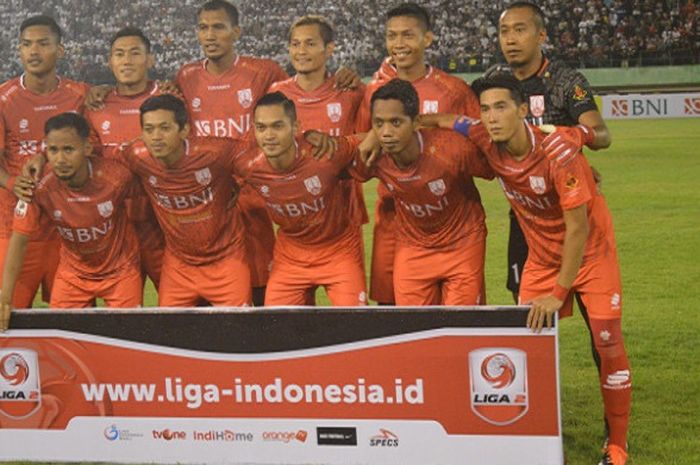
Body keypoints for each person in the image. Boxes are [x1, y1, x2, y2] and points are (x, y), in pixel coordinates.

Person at [443, 73, 630, 465]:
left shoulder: (558, 152)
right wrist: (424, 121)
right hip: (542, 260)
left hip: (591, 254)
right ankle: (534, 438)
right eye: (486, 109)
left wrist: (558, 293)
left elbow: (577, 230)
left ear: (523, 110)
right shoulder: (484, 138)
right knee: (526, 350)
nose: (492, 117)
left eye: (502, 107)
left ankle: (617, 445)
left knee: (608, 341)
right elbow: (454, 122)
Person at [355, 2, 480, 305]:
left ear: (427, 39)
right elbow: (362, 147)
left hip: (452, 219)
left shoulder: (454, 90)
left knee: (458, 318)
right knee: (393, 309)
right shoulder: (375, 92)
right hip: (394, 214)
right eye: (392, 36)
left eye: (408, 36)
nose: (399, 44)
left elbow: (482, 143)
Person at [491, 1, 612, 303]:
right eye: (504, 31)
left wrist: (575, 136)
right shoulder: (496, 81)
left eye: (520, 30)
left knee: (592, 310)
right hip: (526, 213)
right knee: (525, 311)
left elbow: (602, 135)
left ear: (541, 35)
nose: (511, 39)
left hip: (571, 210)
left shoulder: (565, 80)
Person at [174, 0, 288, 306]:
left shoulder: (264, 71)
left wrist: (339, 74)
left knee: (258, 285)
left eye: (218, 27)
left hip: (250, 197)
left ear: (235, 31)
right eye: (203, 27)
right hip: (205, 200)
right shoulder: (185, 77)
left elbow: (299, 97)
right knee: (208, 291)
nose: (210, 35)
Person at [353, 79, 491, 305]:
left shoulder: (452, 149)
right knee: (416, 328)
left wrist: (441, 119)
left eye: (396, 122)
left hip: (462, 242)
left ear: (416, 122)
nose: (386, 132)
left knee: (461, 327)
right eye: (379, 123)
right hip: (414, 248)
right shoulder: (373, 152)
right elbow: (334, 151)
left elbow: (491, 153)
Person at [0, 113, 141, 329]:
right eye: (53, 151)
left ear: (86, 148)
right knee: (61, 338)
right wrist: (4, 296)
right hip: (73, 275)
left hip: (120, 272)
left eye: (69, 150)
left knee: (129, 337)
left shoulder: (117, 177)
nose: (60, 159)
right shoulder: (38, 186)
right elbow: (19, 240)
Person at [269, 15, 368, 302]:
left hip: (342, 225)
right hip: (295, 229)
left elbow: (369, 141)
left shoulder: (350, 93)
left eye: (310, 43)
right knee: (283, 328)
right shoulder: (277, 94)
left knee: (352, 325)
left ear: (329, 49)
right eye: (295, 44)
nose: (301, 51)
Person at [236, 92, 367, 306]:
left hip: (338, 251)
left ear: (296, 127)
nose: (269, 135)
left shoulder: (323, 154)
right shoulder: (248, 165)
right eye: (261, 128)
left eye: (277, 126)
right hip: (291, 256)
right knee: (278, 326)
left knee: (353, 323)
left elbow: (368, 138)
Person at [0, 15, 89, 308]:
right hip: (13, 229)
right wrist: (12, 182)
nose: (34, 51)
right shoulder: (3, 98)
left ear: (60, 50)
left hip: (66, 231)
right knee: (7, 319)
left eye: (42, 44)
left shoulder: (80, 95)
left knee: (74, 325)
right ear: (19, 50)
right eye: (27, 44)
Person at [85, 27, 165, 291]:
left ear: (150, 59)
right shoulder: (96, 105)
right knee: (121, 314)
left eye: (134, 53)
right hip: (115, 229)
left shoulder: (169, 99)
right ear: (110, 62)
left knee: (179, 310)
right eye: (119, 54)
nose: (126, 60)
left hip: (161, 226)